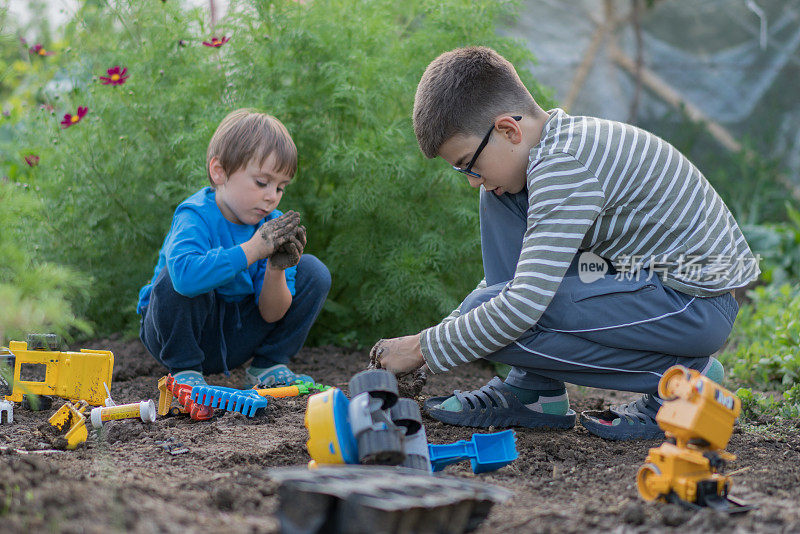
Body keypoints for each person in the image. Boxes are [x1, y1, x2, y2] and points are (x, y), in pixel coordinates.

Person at [371, 47, 758, 440]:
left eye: (469, 163)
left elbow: (521, 305)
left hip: (692, 303)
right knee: (500, 199)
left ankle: (682, 380)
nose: (470, 179)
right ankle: (532, 390)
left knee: (499, 324)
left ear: (508, 130)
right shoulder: (547, 151)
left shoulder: (564, 164)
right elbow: (509, 291)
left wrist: (422, 348)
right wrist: (447, 330)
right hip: (642, 281)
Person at [138, 109, 331, 388]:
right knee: (177, 273)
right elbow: (183, 280)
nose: (271, 197)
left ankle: (269, 365)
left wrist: (276, 269)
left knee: (314, 271)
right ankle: (185, 372)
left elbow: (271, 314)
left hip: (236, 336)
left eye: (281, 188)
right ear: (219, 172)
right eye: (262, 182)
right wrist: (251, 250)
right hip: (176, 335)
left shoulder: (270, 228)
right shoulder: (195, 215)